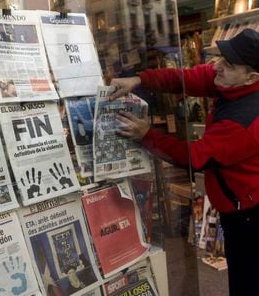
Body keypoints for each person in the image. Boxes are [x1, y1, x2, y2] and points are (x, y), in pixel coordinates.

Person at [110, 28, 259, 296]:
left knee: (248, 280)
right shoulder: (230, 80)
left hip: (248, 214)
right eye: (221, 58)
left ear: (251, 77)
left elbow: (195, 157)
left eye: (229, 64)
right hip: (237, 202)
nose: (218, 67)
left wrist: (147, 135)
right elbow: (184, 78)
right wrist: (138, 79)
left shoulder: (246, 121)